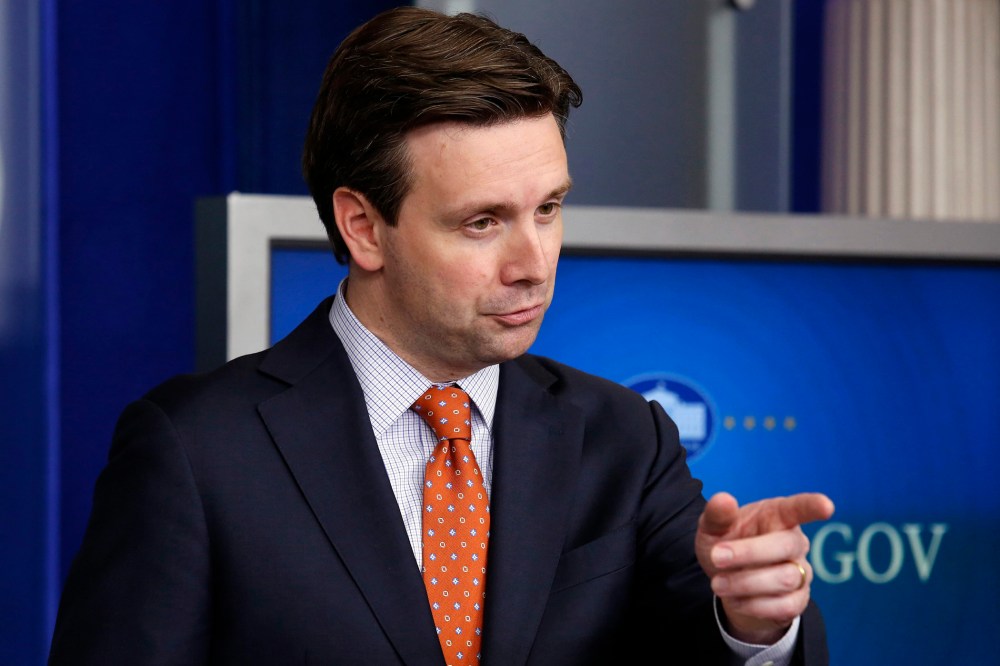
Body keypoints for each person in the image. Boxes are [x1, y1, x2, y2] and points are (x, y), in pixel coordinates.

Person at [48, 7, 834, 665]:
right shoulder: (195, 452)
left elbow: (695, 648)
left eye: (549, 209)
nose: (534, 263)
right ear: (364, 227)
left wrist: (755, 623)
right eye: (483, 222)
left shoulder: (623, 438)